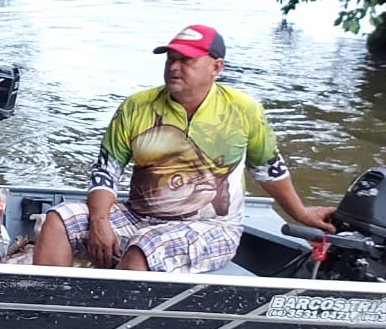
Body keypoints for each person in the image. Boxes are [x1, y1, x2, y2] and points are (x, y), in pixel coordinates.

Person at [33, 24, 336, 273]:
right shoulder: (136, 106)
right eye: (170, 59)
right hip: (140, 217)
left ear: (216, 67)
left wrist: (301, 213)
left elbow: (268, 169)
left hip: (212, 227)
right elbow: (105, 173)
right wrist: (99, 222)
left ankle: (115, 326)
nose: (174, 67)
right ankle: (46, 308)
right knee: (58, 220)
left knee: (147, 246)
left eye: (186, 60)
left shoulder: (244, 110)